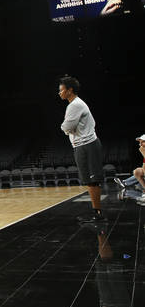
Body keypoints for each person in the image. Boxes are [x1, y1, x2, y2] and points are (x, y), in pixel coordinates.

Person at [60, 76, 105, 223]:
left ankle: (98, 213)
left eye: (61, 90)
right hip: (82, 145)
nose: (59, 92)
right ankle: (96, 212)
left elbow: (66, 127)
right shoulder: (74, 104)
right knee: (89, 181)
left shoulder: (74, 105)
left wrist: (65, 128)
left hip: (87, 145)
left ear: (69, 90)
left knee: (93, 180)